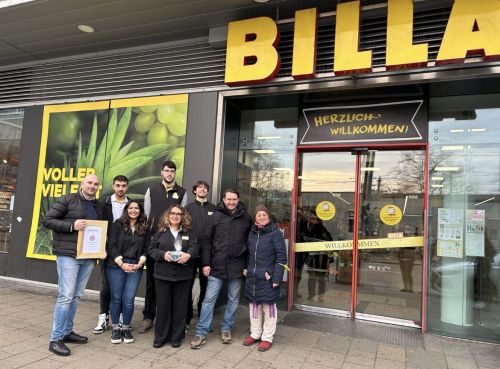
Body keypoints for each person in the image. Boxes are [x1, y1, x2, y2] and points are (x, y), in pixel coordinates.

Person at [43, 174, 103, 357]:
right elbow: (47, 220)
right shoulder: (68, 199)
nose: (92, 186)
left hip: (88, 256)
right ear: (82, 184)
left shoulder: (98, 205)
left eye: (95, 184)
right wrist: (72, 225)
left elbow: (100, 229)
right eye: (89, 183)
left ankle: (67, 332)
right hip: (68, 255)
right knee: (66, 296)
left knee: (76, 296)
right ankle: (55, 339)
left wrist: (101, 249)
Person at [191, 189, 252, 349]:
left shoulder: (246, 218)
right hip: (217, 265)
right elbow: (206, 241)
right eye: (228, 199)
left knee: (233, 300)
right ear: (223, 200)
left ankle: (226, 328)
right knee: (209, 300)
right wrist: (206, 263)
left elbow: (250, 242)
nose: (231, 202)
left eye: (234, 199)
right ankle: (201, 331)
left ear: (238, 200)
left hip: (237, 266)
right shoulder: (216, 216)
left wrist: (246, 265)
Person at [140, 160, 187, 333]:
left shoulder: (182, 192)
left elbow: (183, 216)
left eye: (172, 171)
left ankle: (167, 317)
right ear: (162, 172)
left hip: (175, 240)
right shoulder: (151, 190)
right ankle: (148, 316)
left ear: (175, 173)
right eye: (166, 171)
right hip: (156, 240)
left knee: (171, 281)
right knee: (152, 281)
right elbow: (146, 213)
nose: (169, 174)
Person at [148, 205, 199, 348]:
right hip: (163, 275)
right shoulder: (160, 232)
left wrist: (188, 255)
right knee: (163, 307)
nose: (175, 216)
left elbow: (195, 247)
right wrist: (163, 255)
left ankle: (176, 336)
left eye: (179, 214)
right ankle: (161, 336)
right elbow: (151, 249)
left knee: (180, 307)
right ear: (168, 215)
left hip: (183, 276)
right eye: (173, 213)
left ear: (183, 216)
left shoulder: (189, 232)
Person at [243, 204, 287, 352]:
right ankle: (255, 334)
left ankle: (267, 338)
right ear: (255, 218)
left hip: (268, 278)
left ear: (268, 217)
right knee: (254, 307)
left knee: (269, 309)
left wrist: (276, 278)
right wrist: (246, 270)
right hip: (253, 277)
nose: (261, 217)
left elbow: (281, 257)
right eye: (258, 215)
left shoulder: (275, 233)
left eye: (264, 215)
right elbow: (249, 254)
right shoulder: (252, 233)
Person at [106, 200, 149, 344]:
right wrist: (121, 263)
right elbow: (111, 245)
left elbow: (147, 247)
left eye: (136, 208)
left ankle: (126, 327)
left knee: (129, 299)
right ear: (126, 209)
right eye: (130, 208)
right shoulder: (117, 225)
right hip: (116, 265)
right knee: (116, 297)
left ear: (140, 210)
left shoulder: (144, 226)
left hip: (136, 266)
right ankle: (116, 328)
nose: (133, 210)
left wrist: (140, 263)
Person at [93, 175, 129, 334]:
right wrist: (101, 248)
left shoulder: (132, 204)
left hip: (126, 251)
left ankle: (120, 316)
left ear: (127, 187)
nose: (120, 188)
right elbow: (98, 226)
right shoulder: (104, 202)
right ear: (113, 186)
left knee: (122, 286)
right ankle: (103, 316)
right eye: (118, 185)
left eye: (123, 186)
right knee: (106, 285)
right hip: (107, 251)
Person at [185, 180, 217, 331]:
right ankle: (186, 319)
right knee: (187, 286)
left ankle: (204, 319)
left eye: (205, 188)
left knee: (206, 288)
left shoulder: (214, 209)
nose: (203, 189)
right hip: (191, 253)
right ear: (194, 191)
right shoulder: (188, 208)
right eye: (200, 187)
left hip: (208, 254)